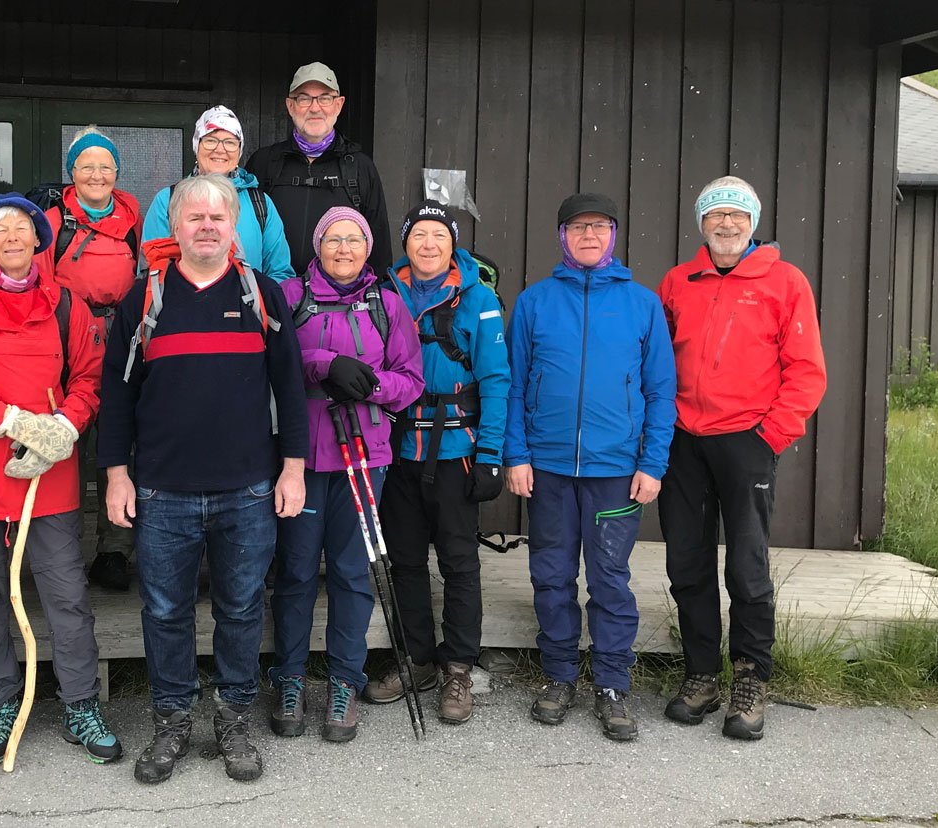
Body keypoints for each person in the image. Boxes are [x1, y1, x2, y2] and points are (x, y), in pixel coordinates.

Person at [99, 174, 307, 784]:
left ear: (235, 225)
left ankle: (234, 716)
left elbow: (291, 390)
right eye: (196, 217)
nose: (208, 226)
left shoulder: (261, 294)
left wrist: (292, 469)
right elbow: (117, 394)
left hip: (247, 488)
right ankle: (172, 720)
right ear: (176, 225)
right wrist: (117, 475)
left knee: (241, 609)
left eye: (220, 216)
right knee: (165, 611)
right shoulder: (144, 298)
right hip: (163, 490)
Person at [0, 193, 120, 766]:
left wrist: (64, 424)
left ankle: (81, 703)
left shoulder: (67, 306)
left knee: (66, 595)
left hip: (50, 477)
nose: (12, 236)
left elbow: (89, 377)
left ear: (39, 240)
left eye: (22, 228)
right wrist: (10, 420)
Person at [503, 193, 677, 742]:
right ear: (562, 236)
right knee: (550, 575)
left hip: (615, 470)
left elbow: (660, 390)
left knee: (609, 580)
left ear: (614, 235)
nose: (589, 235)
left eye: (599, 227)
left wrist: (652, 463)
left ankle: (611, 683)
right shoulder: (534, 302)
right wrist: (517, 454)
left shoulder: (642, 304)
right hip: (548, 467)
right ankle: (558, 676)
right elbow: (511, 385)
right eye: (578, 227)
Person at [658, 176, 827, 740]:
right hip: (684, 438)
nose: (726, 225)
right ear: (700, 223)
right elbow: (658, 360)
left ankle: (751, 679)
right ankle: (702, 674)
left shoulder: (785, 281)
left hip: (747, 440)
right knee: (687, 561)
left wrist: (771, 435)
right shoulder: (679, 281)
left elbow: (806, 370)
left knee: (747, 566)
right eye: (715, 216)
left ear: (752, 223)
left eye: (737, 216)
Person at [269, 207, 422, 743]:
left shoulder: (387, 303)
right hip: (303, 458)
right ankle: (288, 678)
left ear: (367, 247)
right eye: (332, 239)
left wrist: (372, 385)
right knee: (295, 572)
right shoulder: (289, 297)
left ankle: (343, 682)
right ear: (317, 245)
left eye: (353, 240)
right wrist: (324, 364)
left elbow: (411, 380)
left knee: (354, 574)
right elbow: (274, 358)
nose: (343, 249)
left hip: (365, 456)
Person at [364, 200, 509, 726]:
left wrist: (491, 454)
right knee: (404, 561)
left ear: (453, 245)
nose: (428, 245)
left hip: (456, 453)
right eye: (419, 235)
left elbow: (496, 380)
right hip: (398, 449)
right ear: (405, 243)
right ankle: (418, 659)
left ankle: (458, 667)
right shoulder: (382, 292)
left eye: (439, 236)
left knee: (458, 563)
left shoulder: (479, 298)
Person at [32, 126, 141, 592]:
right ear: (71, 172)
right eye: (86, 165)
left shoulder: (134, 219)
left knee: (121, 443)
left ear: (117, 171)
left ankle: (114, 552)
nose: (97, 174)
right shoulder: (52, 221)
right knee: (65, 444)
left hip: (123, 340)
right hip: (67, 340)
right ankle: (61, 551)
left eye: (105, 165)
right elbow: (37, 288)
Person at [247, 62, 391, 275]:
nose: (315, 108)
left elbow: (378, 250)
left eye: (325, 98)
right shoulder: (264, 162)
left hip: (341, 303)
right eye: (304, 98)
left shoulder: (360, 167)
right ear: (290, 106)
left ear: (339, 105)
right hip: (275, 296)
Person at [144, 105, 294, 282]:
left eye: (230, 142)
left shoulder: (260, 203)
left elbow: (280, 273)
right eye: (210, 140)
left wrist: (251, 301)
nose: (220, 149)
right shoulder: (168, 200)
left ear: (239, 152)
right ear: (196, 146)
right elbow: (152, 269)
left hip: (246, 307)